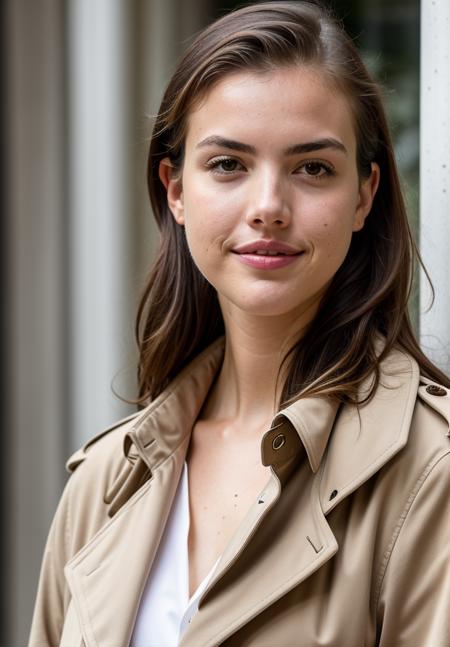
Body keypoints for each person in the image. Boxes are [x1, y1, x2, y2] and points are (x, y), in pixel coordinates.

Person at [29, 2, 450, 646]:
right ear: (174, 190)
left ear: (364, 195)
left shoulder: (431, 471)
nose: (268, 207)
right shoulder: (103, 483)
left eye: (313, 168)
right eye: (228, 164)